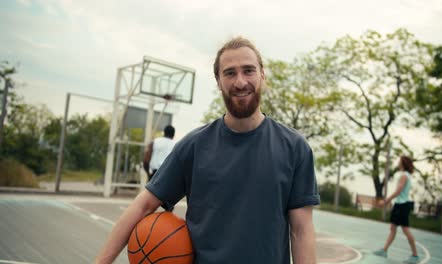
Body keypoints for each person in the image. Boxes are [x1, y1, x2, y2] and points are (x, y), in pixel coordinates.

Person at [96, 36, 320, 264]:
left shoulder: (295, 148)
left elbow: (300, 232)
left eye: (248, 70)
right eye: (230, 73)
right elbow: (143, 206)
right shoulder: (194, 146)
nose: (240, 82)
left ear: (262, 74)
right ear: (218, 80)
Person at [374, 156, 420, 264]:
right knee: (393, 227)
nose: (398, 164)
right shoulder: (405, 175)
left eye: (399, 162)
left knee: (405, 229)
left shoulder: (404, 176)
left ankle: (415, 255)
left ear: (403, 164)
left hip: (403, 205)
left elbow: (398, 191)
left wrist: (386, 201)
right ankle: (384, 250)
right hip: (400, 204)